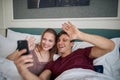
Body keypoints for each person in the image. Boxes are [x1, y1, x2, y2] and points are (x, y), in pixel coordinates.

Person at [14, 21, 115, 80]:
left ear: (72, 43)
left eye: (65, 40)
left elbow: (110, 46)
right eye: (58, 40)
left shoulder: (82, 52)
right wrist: (22, 70)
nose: (60, 43)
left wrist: (80, 35)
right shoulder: (52, 63)